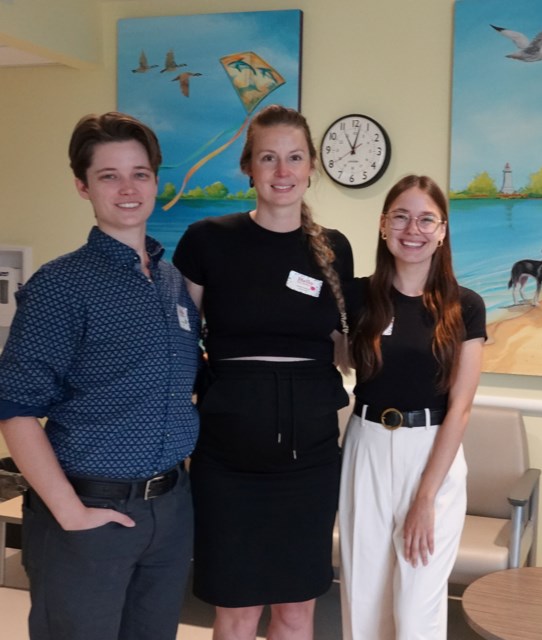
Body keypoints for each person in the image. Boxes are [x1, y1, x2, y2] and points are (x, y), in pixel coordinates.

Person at [0, 112, 200, 640]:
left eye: (140, 173)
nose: (128, 188)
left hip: (169, 512)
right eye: (109, 175)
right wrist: (70, 513)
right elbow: (15, 407)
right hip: (88, 512)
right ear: (82, 186)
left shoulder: (173, 281)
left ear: (157, 181)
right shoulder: (60, 286)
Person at [172, 105, 352, 640]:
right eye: (268, 158)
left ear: (312, 166)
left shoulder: (333, 248)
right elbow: (177, 344)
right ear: (248, 167)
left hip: (311, 461)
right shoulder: (207, 239)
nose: (282, 171)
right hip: (227, 460)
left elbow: (346, 344)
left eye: (294, 157)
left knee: (296, 610)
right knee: (236, 612)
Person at [339, 175, 486, 639]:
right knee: (364, 597)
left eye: (426, 219)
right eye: (401, 216)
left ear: (442, 231)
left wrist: (425, 496)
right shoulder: (359, 297)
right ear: (384, 225)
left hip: (432, 454)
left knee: (416, 604)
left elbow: (460, 407)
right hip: (365, 447)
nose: (413, 229)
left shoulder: (465, 306)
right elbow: (332, 355)